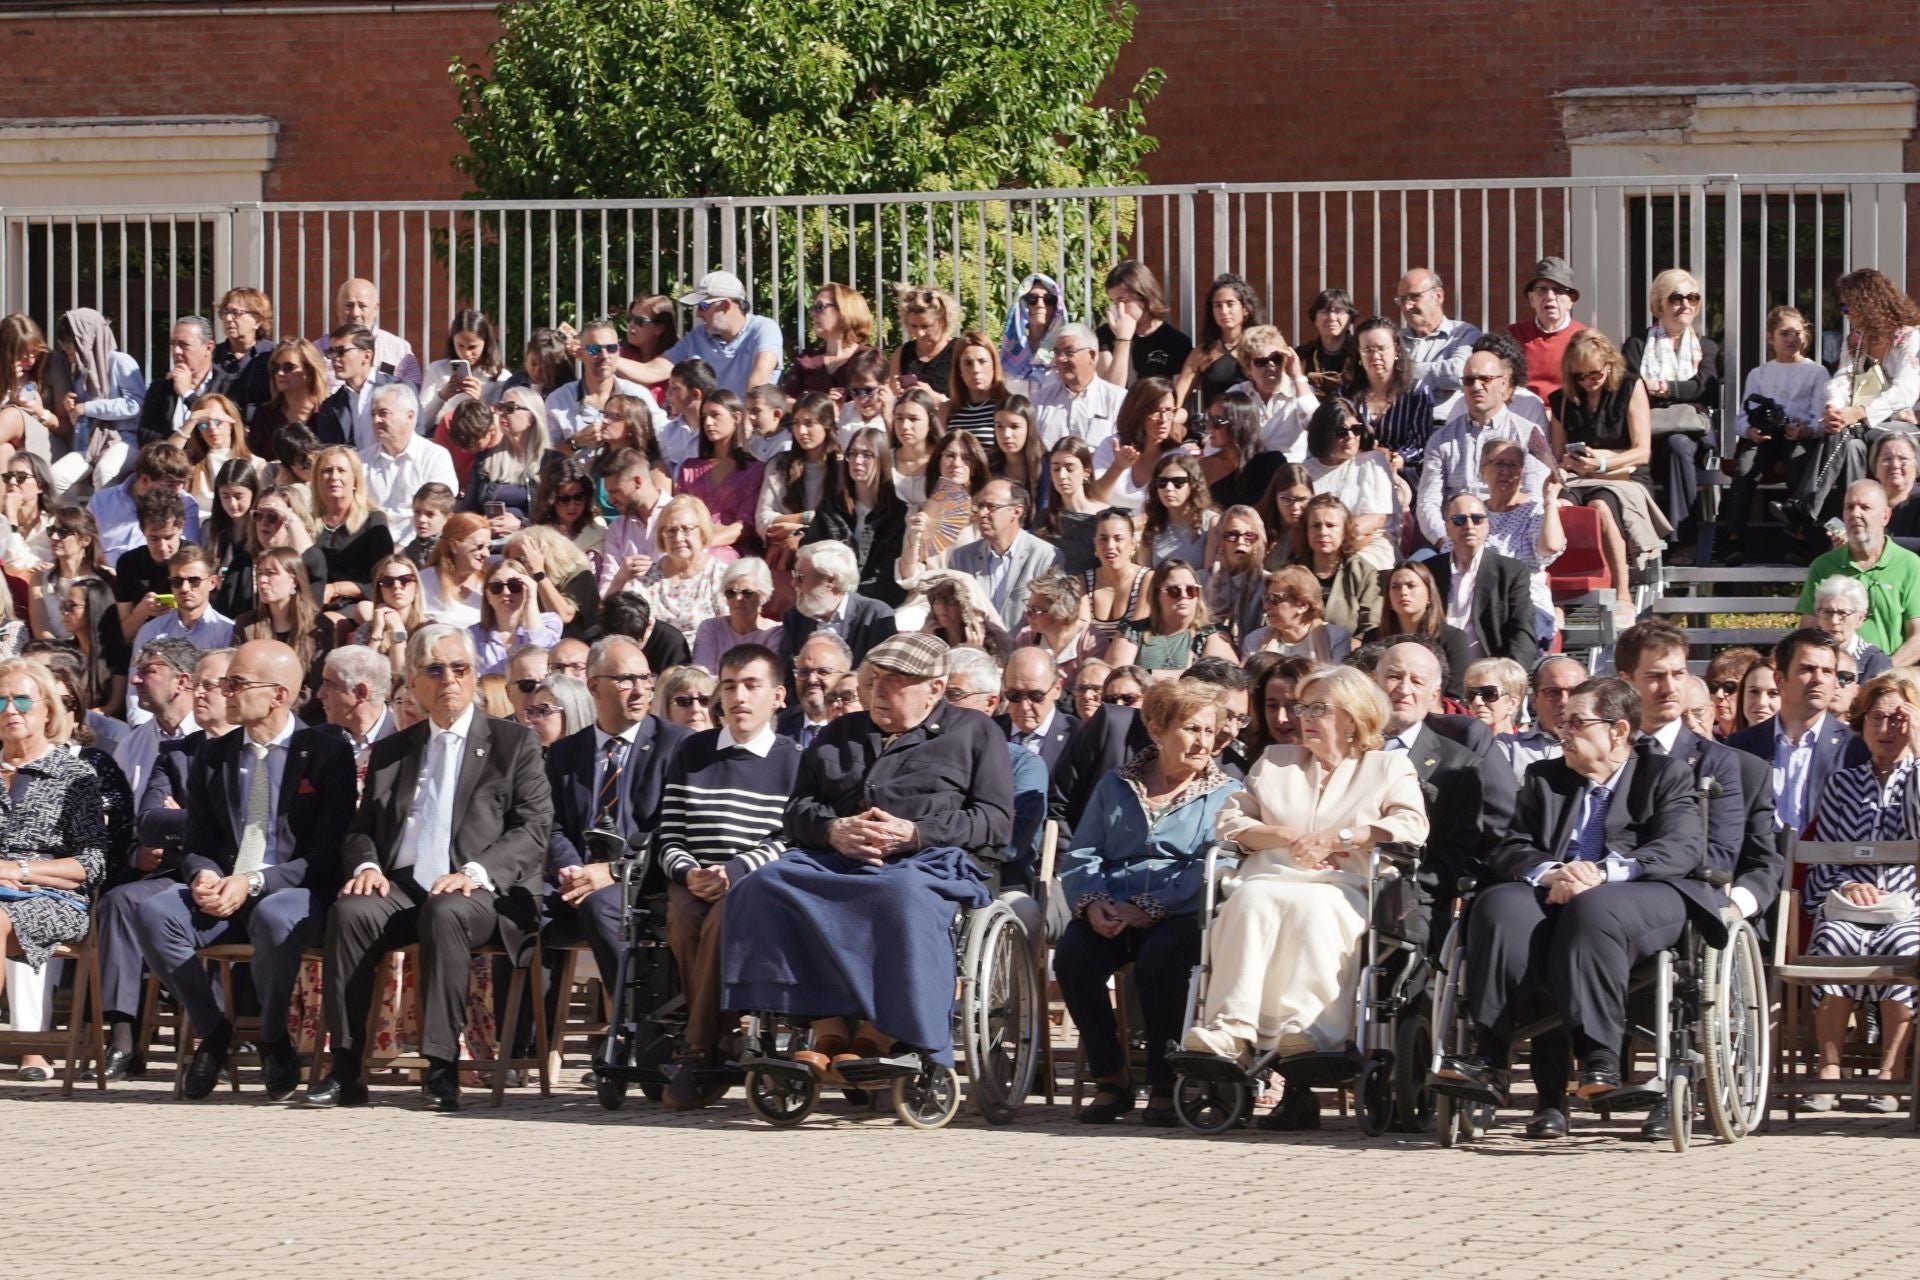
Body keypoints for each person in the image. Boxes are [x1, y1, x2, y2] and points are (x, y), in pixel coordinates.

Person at [1432, 676, 1736, 1142]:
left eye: (1576, 723)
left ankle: (1600, 1061)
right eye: (1563, 723)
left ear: (1618, 730)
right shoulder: (1545, 778)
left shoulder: (1665, 774)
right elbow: (1511, 846)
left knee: (1594, 909)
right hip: (1556, 890)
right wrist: (1553, 872)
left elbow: (1679, 848)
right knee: (1497, 906)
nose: (1563, 732)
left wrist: (1601, 873)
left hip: (1644, 892)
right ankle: (1489, 1059)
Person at [721, 632, 1013, 1079]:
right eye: (874, 680)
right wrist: (832, 830)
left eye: (895, 683)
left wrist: (916, 833)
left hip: (927, 861)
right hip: (837, 858)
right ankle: (826, 1028)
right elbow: (797, 810)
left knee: (899, 895)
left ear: (934, 688)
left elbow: (994, 820)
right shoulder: (840, 733)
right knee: (763, 885)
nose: (878, 693)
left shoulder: (975, 733)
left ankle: (881, 1031)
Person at [306, 623, 553, 1111]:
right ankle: (347, 1069)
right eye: (436, 670)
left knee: (445, 911)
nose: (450, 680)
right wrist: (367, 865)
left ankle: (441, 1067)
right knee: (351, 912)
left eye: (460, 668)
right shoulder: (394, 750)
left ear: (475, 675)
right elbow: (360, 828)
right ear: (414, 682)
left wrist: (475, 873)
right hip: (403, 883)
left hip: (484, 889)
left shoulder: (512, 744)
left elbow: (533, 828)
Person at [1183, 666, 1429, 1127]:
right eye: (1303, 707)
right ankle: (1229, 1030)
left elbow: (1410, 825)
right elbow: (1231, 823)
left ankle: (1311, 1032)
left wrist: (1340, 838)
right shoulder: (1276, 761)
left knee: (1317, 908)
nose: (1303, 717)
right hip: (1270, 876)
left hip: (1343, 883)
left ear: (1354, 718)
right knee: (1249, 902)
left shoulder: (1387, 766)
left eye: (1319, 708)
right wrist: (1282, 834)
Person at [131, 640, 356, 1100]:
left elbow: (327, 856)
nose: (224, 692)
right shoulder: (215, 755)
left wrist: (254, 881)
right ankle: (214, 1031)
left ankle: (273, 1037)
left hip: (296, 893)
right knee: (154, 912)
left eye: (236, 683)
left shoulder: (328, 752)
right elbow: (199, 843)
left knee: (274, 914)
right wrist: (203, 874)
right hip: (226, 891)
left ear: (278, 694)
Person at [1056, 677, 1240, 1124]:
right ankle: (1111, 1078)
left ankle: (1164, 1082)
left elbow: (1215, 865)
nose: (1203, 742)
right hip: (1112, 906)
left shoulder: (1226, 792)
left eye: (1209, 731)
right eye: (1190, 729)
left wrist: (1153, 906)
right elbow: (1082, 852)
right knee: (1073, 957)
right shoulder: (1116, 784)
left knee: (1162, 960)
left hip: (1180, 912)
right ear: (1157, 730)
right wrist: (1093, 902)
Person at [653, 643, 804, 1106]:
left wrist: (735, 871)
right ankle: (720, 1037)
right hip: (693, 879)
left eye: (752, 685)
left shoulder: (794, 760)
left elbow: (790, 840)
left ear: (778, 697)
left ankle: (700, 1048)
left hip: (755, 885)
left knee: (724, 917)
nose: (739, 696)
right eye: (730, 685)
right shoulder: (692, 752)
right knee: (684, 918)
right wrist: (688, 872)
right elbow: (669, 833)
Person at [1798, 668, 1920, 1112]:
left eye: (1898, 719)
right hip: (1849, 906)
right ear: (1862, 722)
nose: (1886, 728)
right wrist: (1848, 883)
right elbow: (1821, 862)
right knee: (1832, 937)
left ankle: (1892, 1072)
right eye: (1876, 717)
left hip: (1910, 906)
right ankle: (1829, 1069)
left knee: (1906, 943)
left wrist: (1919, 752)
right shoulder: (1842, 784)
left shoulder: (1917, 774)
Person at [0, 658, 110, 1023]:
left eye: (22, 700)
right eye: (0, 701)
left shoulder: (75, 775)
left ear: (48, 709)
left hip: (54, 900)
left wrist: (18, 870)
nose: (10, 710)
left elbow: (91, 864)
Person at [1780, 268, 1920, 531]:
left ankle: (1803, 506)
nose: (1845, 313)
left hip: (1901, 424)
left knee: (1846, 430)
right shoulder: (1856, 340)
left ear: (1870, 303)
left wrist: (1859, 412)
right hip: (1857, 425)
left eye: (1848, 306)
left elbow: (1906, 391)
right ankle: (1853, 526)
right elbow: (1843, 377)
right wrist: (1834, 408)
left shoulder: (1910, 337)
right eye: (1843, 307)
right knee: (1851, 445)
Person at [1548, 330, 1661, 614]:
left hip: (1624, 475)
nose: (1588, 382)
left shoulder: (1630, 387)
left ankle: (1622, 592)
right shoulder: (1564, 399)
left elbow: (1642, 451)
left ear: (1609, 364)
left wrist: (1601, 463)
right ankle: (1560, 592)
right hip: (1579, 477)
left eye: (1595, 374)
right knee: (1559, 508)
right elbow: (1558, 455)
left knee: (1600, 506)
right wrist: (1572, 463)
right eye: (1580, 376)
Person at [1415, 337, 1556, 546]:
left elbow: (1534, 497)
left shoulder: (1529, 434)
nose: (1476, 386)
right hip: (1454, 541)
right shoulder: (1441, 440)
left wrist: (1499, 545)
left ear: (1503, 384)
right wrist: (1445, 543)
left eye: (1485, 379)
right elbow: (1428, 503)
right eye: (1469, 380)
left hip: (1511, 541)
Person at [1721, 305, 1831, 565]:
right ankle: (1733, 539)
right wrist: (1750, 431)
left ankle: (1800, 539)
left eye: (1797, 333)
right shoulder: (1759, 374)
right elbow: (1742, 417)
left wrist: (1807, 430)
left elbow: (1821, 417)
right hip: (1765, 437)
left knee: (1798, 464)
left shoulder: (1816, 372)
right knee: (1745, 468)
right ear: (1770, 338)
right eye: (1784, 333)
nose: (1792, 339)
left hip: (1798, 436)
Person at [1621, 268, 1721, 548]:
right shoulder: (1637, 345)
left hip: (1688, 433)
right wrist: (1683, 391)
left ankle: (1682, 542)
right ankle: (1640, 541)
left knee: (1679, 445)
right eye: (1677, 298)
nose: (1685, 304)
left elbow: (1707, 389)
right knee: (1641, 454)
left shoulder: (1706, 347)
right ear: (1660, 304)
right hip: (1645, 431)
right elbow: (1628, 390)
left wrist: (1662, 388)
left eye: (1692, 298)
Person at [1727, 630, 1858, 836]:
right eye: (1807, 669)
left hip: (1823, 855)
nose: (1818, 679)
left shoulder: (1853, 748)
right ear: (1780, 679)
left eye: (1827, 671)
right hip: (1759, 855)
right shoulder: (1741, 746)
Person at [1795, 479, 1920, 666]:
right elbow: (1808, 631)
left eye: (1865, 507)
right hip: (1834, 677)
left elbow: (1918, 638)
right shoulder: (1823, 566)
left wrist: (1882, 672)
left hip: (1891, 676)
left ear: (1885, 516)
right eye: (1849, 507)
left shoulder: (1910, 565)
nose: (1855, 513)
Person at [1424, 492, 1541, 669]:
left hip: (1489, 671)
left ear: (1487, 525)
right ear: (1447, 527)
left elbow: (1522, 631)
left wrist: (1509, 675)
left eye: (1477, 519)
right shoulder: (1429, 571)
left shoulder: (1511, 572)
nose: (1469, 526)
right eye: (1459, 520)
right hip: (1437, 670)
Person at [626, 272, 784, 396]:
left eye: (702, 306)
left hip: (750, 422)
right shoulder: (697, 337)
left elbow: (759, 381)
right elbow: (653, 371)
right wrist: (612, 356)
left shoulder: (764, 328)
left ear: (726, 305)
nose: (698, 314)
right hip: (711, 424)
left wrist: (744, 423)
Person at [802, 425, 908, 606]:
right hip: (827, 600)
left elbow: (887, 580)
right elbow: (812, 556)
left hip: (874, 604)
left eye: (867, 455)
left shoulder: (897, 514)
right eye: (853, 454)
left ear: (882, 459)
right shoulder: (830, 508)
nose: (858, 461)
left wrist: (849, 600)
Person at [49, 307, 148, 495]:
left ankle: (104, 514)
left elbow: (135, 404)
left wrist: (88, 407)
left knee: (105, 472)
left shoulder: (120, 361)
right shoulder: (81, 373)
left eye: (70, 341)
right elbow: (82, 414)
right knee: (55, 477)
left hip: (124, 439)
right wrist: (72, 407)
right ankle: (73, 516)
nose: (65, 348)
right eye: (63, 342)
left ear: (86, 339)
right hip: (91, 445)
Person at [1478, 437, 1565, 644]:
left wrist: (1550, 499)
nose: (1506, 472)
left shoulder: (1534, 510)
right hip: (1478, 598)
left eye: (1514, 465)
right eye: (1499, 463)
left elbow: (1550, 547)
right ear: (1483, 469)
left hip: (1523, 601)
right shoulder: (1473, 512)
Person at [1302, 398, 1396, 571]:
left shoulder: (1372, 461)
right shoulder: (1306, 471)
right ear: (1323, 434)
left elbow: (1377, 518)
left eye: (1356, 429)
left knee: (1353, 568)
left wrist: (1338, 540)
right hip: (1318, 544)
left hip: (1370, 542)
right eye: (1341, 432)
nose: (1351, 437)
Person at [1104, 559, 1238, 676]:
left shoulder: (1213, 634)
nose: (1184, 595)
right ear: (1156, 595)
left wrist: (1150, 674)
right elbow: (1118, 680)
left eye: (1191, 590)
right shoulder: (1132, 633)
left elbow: (1219, 680)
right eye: (1174, 591)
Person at [778, 539, 897, 669]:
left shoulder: (875, 616)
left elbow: (880, 673)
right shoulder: (795, 617)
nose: (793, 583)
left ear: (830, 581)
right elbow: (787, 671)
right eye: (794, 575)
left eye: (801, 576)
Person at [357, 383, 459, 532]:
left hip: (417, 541)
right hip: (371, 540)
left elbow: (439, 513)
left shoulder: (435, 457)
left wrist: (405, 544)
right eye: (373, 414)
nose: (376, 420)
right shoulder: (362, 461)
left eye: (383, 413)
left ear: (409, 416)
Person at [756, 392, 844, 563]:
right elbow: (763, 519)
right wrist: (806, 517)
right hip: (785, 550)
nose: (801, 431)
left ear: (826, 424)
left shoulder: (841, 466)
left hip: (829, 552)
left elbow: (840, 521)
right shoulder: (779, 465)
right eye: (796, 423)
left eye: (809, 423)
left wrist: (796, 528)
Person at [307, 445, 396, 612]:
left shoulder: (374, 521)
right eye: (327, 470)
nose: (334, 476)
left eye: (341, 470)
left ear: (355, 479)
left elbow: (382, 579)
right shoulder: (308, 522)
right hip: (312, 602)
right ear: (317, 480)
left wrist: (336, 589)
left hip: (356, 603)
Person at [678, 390, 766, 558]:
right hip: (689, 543)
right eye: (704, 417)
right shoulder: (689, 468)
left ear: (737, 418)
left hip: (731, 549)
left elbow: (744, 525)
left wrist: (704, 544)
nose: (708, 422)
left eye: (715, 415)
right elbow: (679, 513)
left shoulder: (755, 470)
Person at [1346, 316, 1436, 479]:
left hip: (1402, 474)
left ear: (1397, 349)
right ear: (1359, 354)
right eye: (1367, 350)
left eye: (1381, 348)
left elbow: (1421, 443)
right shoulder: (1345, 395)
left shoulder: (1417, 392)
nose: (1375, 356)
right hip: (1354, 471)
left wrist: (1395, 459)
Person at [113, 637, 201, 802]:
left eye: (148, 671)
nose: (135, 680)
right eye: (137, 671)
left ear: (181, 682)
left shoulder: (213, 737)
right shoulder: (131, 745)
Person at [1368, 561, 1471, 701]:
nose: (1403, 592)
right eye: (1395, 587)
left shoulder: (1453, 639)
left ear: (1429, 595)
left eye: (1411, 586)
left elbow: (1456, 696)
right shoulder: (1373, 638)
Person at [88, 441, 199, 563]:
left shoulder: (186, 503)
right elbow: (87, 543)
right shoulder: (101, 501)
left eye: (182, 483)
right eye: (170, 484)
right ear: (145, 479)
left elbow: (189, 551)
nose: (178, 490)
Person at [637, 494, 729, 639]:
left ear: (703, 532)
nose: (678, 538)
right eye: (671, 530)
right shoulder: (647, 578)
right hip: (657, 652)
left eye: (686, 529)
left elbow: (730, 633)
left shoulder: (720, 575)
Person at [462, 387, 552, 530]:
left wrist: (522, 524)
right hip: (489, 539)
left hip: (533, 539)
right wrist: (484, 525)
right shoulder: (485, 460)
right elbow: (468, 511)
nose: (502, 413)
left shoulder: (551, 463)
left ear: (531, 418)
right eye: (500, 407)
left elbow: (560, 519)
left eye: (510, 408)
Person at [136, 316, 232, 451]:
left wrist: (187, 394)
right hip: (168, 462)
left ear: (208, 348)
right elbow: (146, 437)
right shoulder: (160, 388)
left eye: (184, 345)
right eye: (173, 344)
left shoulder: (229, 385)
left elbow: (226, 433)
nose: (176, 351)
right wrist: (183, 439)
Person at [1293, 495, 1381, 640]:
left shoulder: (1363, 572)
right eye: (1316, 525)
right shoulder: (1291, 572)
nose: (1323, 532)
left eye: (1331, 526)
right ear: (1306, 530)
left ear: (1345, 531)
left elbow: (1371, 626)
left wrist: (1356, 643)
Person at [312, 278, 423, 389]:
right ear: (338, 308)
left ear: (376, 308)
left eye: (362, 306)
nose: (355, 313)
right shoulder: (317, 351)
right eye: (349, 305)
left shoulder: (399, 349)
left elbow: (413, 391)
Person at [1031, 324, 1126, 452]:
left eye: (1069, 352)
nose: (1061, 359)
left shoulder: (1117, 400)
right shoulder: (1039, 401)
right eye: (1057, 352)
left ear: (1091, 355)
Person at [1096, 260, 1192, 387]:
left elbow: (1176, 395)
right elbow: (1110, 390)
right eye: (1114, 302)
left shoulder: (1177, 342)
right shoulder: (1105, 335)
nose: (1119, 308)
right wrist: (1123, 340)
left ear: (1144, 296)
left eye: (1123, 300)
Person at [1229, 326, 1317, 461]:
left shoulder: (1301, 391)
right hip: (1249, 469)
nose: (1271, 366)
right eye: (1261, 362)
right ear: (1247, 369)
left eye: (1276, 359)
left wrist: (1297, 375)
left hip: (1291, 469)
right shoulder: (1237, 394)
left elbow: (1316, 425)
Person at [1508, 256, 1588, 402]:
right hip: (1522, 411)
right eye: (1542, 290)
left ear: (1571, 300)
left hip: (1567, 411)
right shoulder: (1513, 336)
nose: (1550, 296)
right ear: (1532, 299)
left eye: (1558, 290)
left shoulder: (1585, 339)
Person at [780, 282, 877, 401]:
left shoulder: (869, 357)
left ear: (844, 311)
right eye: (813, 308)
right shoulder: (806, 360)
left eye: (819, 307)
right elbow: (785, 401)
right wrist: (818, 405)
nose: (812, 314)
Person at [131, 544, 234, 655]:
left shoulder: (227, 631)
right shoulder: (150, 631)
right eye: (177, 581)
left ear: (213, 582)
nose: (184, 588)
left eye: (194, 580)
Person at [1396, 267, 1482, 400]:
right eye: (1402, 300)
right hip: (1404, 413)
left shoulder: (1464, 334)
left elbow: (1459, 373)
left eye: (1414, 297)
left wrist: (1405, 370)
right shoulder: (1394, 341)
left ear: (1438, 296)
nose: (1407, 306)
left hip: (1448, 414)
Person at [1013, 569, 1105, 692]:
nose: (1027, 615)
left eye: (1035, 610)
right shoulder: (1026, 638)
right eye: (1028, 607)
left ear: (1061, 613)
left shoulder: (1091, 641)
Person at [595, 448, 669, 599]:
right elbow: (605, 595)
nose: (610, 500)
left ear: (637, 482)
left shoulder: (680, 516)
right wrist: (622, 576)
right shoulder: (617, 529)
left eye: (615, 491)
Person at [502, 523, 597, 641]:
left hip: (573, 645)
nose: (516, 567)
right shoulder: (517, 581)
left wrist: (538, 573)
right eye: (511, 562)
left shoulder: (580, 574)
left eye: (520, 560)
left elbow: (564, 616)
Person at [418, 309, 511, 427]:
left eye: (473, 347)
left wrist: (479, 402)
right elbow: (421, 423)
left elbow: (498, 427)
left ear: (486, 342)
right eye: (460, 345)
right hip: (440, 433)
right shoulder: (437, 369)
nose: (466, 353)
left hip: (479, 435)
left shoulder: (501, 377)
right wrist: (442, 396)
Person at [1241, 565, 1351, 663]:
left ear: (1302, 605)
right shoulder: (1256, 640)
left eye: (1275, 598)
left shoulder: (1335, 638)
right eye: (1266, 599)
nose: (1266, 606)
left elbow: (1337, 678)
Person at [310, 325, 395, 451]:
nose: (334, 358)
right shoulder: (330, 407)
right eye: (330, 352)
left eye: (340, 351)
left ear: (366, 356)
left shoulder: (398, 390)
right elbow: (330, 453)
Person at [471, 558, 561, 677]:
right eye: (497, 587)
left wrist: (531, 599)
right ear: (487, 595)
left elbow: (539, 652)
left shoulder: (550, 622)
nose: (506, 592)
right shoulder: (472, 635)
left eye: (514, 586)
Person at [995, 646, 1078, 774]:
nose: (1024, 706)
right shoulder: (989, 732)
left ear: (1057, 689)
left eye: (1036, 696)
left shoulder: (1078, 736)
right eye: (1014, 695)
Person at [690, 557, 779, 674]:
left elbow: (768, 678)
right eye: (730, 593)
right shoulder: (711, 628)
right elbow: (701, 676)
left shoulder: (775, 633)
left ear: (763, 595)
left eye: (747, 593)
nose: (738, 599)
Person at [246, 338, 328, 460]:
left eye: (288, 367)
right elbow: (255, 459)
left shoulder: (327, 413)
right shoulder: (265, 415)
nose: (279, 373)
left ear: (310, 371)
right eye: (275, 368)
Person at [316, 643, 397, 764]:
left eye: (330, 685)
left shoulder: (404, 741)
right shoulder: (316, 741)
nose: (320, 694)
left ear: (361, 693)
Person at [1141, 454, 1218, 579]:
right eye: (1162, 482)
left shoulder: (1212, 523)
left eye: (1178, 482)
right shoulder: (1152, 524)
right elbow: (1146, 574)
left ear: (1193, 484)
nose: (1168, 488)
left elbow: (1209, 577)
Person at [1203, 504, 1270, 647]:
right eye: (1232, 535)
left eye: (1249, 536)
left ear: (1259, 542)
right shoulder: (1199, 581)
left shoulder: (1269, 584)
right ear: (1221, 542)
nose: (1240, 542)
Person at [181, 394, 260, 511]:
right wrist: (190, 422)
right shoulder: (189, 462)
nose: (212, 428)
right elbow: (162, 461)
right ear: (198, 432)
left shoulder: (256, 464)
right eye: (203, 424)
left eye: (217, 421)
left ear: (231, 423)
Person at [775, 632, 852, 748]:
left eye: (823, 672)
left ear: (845, 676)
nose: (811, 680)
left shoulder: (857, 730)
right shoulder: (776, 729)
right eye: (804, 672)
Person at [1811, 576, 1893, 682]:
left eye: (1843, 613)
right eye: (1827, 612)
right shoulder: (1804, 656)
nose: (1834, 621)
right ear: (1817, 614)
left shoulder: (1875, 662)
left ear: (1860, 618)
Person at [886, 285, 960, 401]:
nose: (919, 333)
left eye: (926, 326)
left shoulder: (959, 351)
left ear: (943, 321)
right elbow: (891, 400)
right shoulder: (902, 353)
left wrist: (936, 399)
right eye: (913, 326)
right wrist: (894, 391)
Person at [419, 512, 491, 628]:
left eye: (489, 547)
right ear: (454, 545)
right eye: (479, 546)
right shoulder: (423, 582)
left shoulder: (491, 585)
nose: (486, 554)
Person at [998, 273, 1067, 391]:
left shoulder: (1063, 355)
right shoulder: (1007, 357)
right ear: (1022, 304)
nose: (1040, 305)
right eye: (1032, 299)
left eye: (1048, 300)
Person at [943, 332, 1012, 448]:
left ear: (994, 365)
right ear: (959, 370)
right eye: (968, 363)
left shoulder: (1008, 406)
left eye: (982, 361)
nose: (975, 369)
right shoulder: (947, 410)